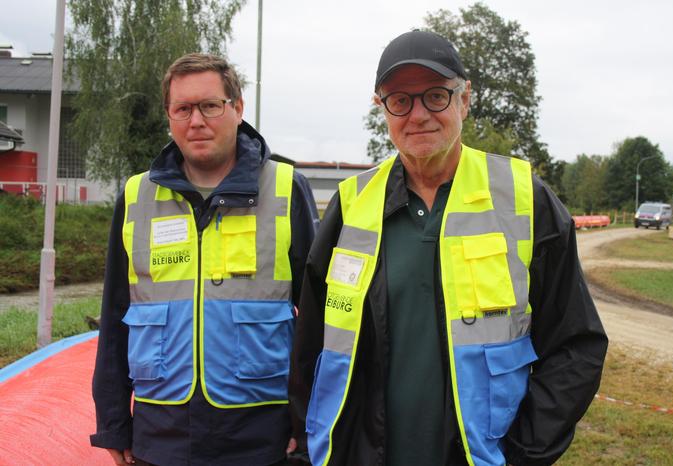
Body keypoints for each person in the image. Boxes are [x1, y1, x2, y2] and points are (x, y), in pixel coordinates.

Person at [288, 30, 607, 466]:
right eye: (400, 100)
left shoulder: (523, 198)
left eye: (435, 96)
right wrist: (310, 441)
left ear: (465, 99)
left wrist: (524, 453)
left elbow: (576, 345)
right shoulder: (350, 205)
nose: (418, 115)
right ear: (381, 108)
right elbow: (312, 345)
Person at [91, 53, 318, 466]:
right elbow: (115, 314)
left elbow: (317, 323)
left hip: (260, 438)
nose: (197, 120)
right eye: (183, 109)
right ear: (169, 117)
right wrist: (112, 421)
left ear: (237, 109)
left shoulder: (286, 188)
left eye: (211, 105)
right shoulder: (137, 196)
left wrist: (306, 426)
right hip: (160, 436)